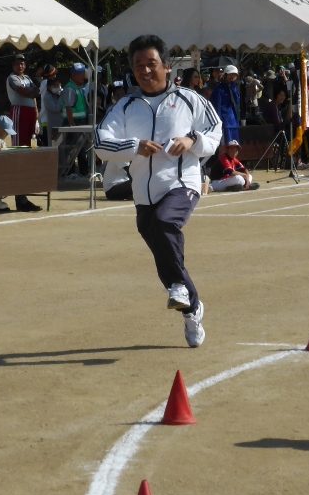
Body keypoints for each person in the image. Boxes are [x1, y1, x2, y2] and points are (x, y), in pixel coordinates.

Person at [94, 34, 222, 348]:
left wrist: (192, 141)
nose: (145, 70)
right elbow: (100, 143)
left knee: (166, 223)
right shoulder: (125, 106)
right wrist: (133, 146)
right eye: (139, 65)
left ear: (166, 67)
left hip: (182, 184)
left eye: (151, 63)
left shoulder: (190, 99)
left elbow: (214, 130)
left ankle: (179, 288)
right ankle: (192, 309)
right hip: (143, 194)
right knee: (164, 253)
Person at [210, 64, 241, 146]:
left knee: (235, 145)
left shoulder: (234, 88)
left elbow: (237, 101)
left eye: (234, 75)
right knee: (227, 146)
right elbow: (216, 106)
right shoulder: (219, 89)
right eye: (231, 75)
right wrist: (218, 122)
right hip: (225, 122)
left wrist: (233, 87)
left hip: (234, 121)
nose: (232, 77)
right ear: (226, 75)